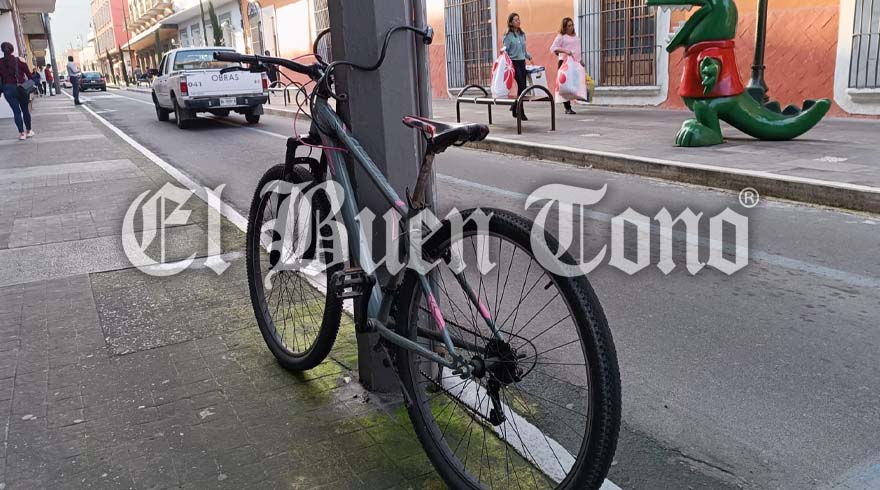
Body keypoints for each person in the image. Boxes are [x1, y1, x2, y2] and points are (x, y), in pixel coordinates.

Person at [0, 42, 35, 140]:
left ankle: (21, 134)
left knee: (16, 112)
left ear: (2, 50)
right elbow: (29, 75)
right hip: (21, 87)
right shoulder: (19, 60)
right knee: (25, 110)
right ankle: (29, 131)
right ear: (12, 50)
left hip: (7, 89)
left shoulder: (0, 62)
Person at [503, 13, 532, 120]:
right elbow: (505, 51)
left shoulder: (522, 34)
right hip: (513, 63)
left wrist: (529, 57)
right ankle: (520, 111)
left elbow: (523, 50)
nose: (518, 21)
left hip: (522, 62)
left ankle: (514, 106)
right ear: (511, 23)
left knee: (523, 86)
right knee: (521, 86)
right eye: (515, 20)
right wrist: (506, 63)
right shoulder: (508, 36)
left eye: (518, 19)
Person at [551, 17, 581, 115]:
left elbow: (577, 49)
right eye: (569, 26)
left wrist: (581, 61)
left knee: (574, 83)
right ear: (564, 27)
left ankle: (571, 103)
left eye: (572, 25)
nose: (571, 27)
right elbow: (553, 48)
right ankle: (567, 107)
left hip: (575, 63)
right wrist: (565, 51)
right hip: (565, 63)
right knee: (565, 85)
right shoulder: (561, 36)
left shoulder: (575, 36)